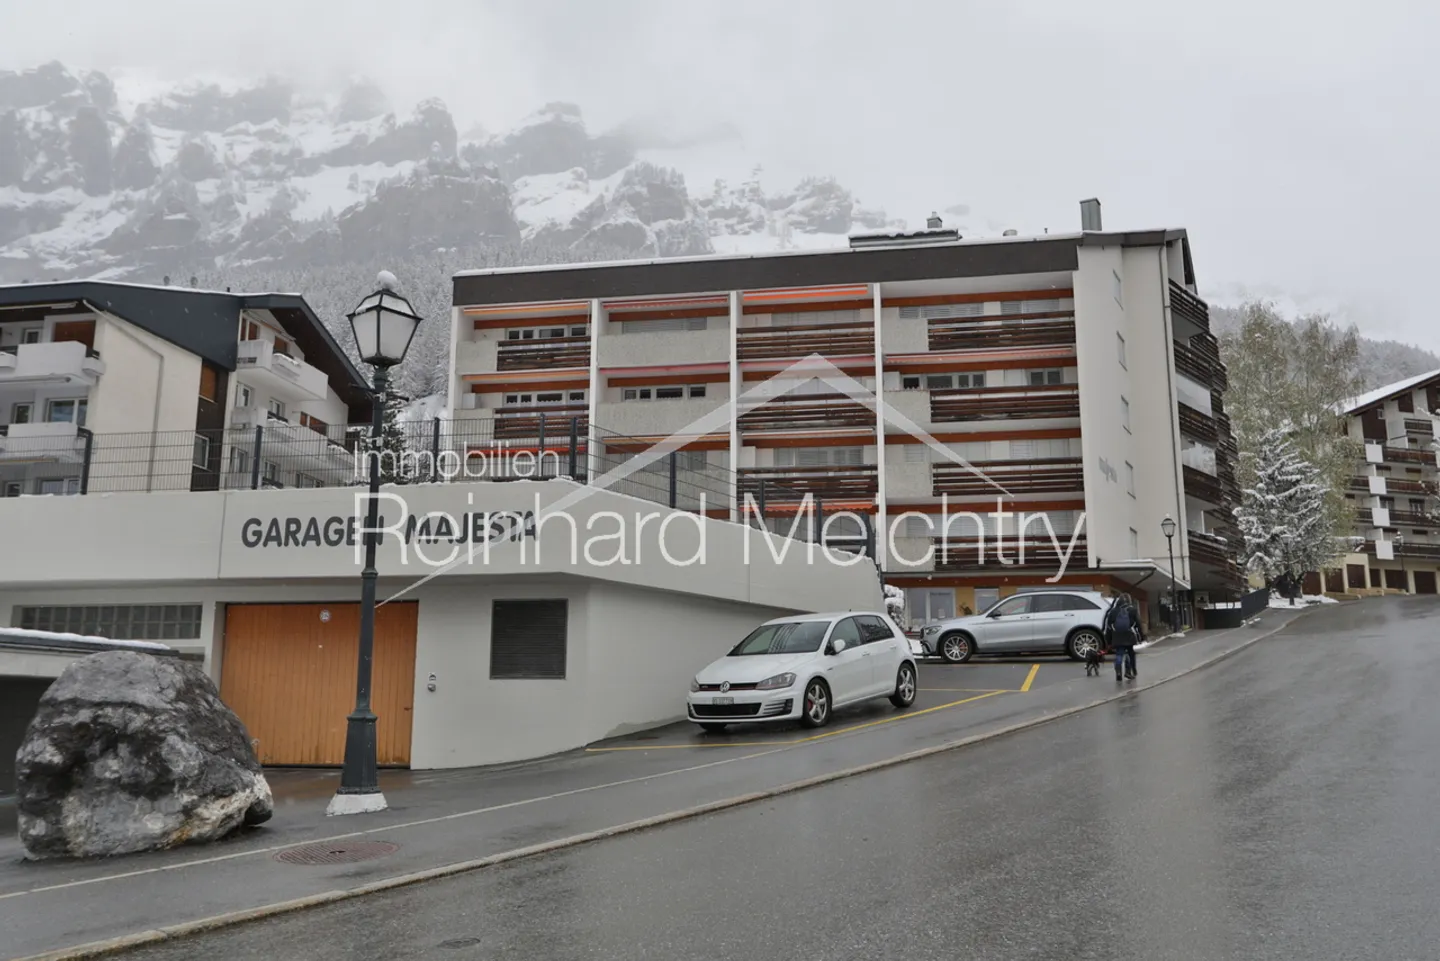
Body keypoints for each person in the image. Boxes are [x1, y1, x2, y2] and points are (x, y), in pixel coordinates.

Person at [1103, 591, 1143, 680]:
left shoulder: (1113, 611)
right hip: (1129, 635)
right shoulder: (1132, 610)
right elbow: (1138, 624)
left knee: (1119, 653)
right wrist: (1141, 636)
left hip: (1117, 635)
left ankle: (1118, 671)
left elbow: (1109, 626)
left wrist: (1108, 640)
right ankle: (1129, 671)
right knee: (1129, 653)